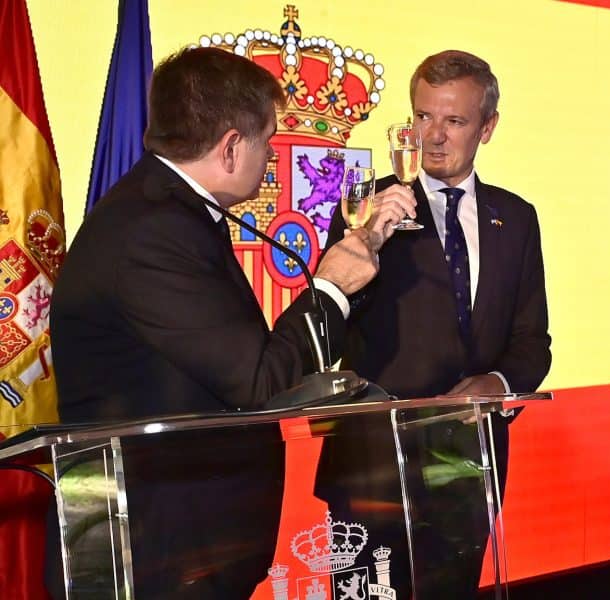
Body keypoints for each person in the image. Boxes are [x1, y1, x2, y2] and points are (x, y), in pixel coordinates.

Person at [47, 47, 413, 598]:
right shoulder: (153, 231)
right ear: (231, 147)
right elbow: (259, 382)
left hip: (186, 546)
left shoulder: (167, 212)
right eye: (268, 141)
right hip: (155, 554)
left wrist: (356, 261)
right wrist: (332, 286)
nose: (271, 158)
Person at [321, 49, 551, 598]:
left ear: (487, 127)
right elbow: (331, 325)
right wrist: (366, 242)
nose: (434, 137)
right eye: (423, 117)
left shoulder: (516, 218)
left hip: (467, 467)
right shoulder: (366, 208)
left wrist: (497, 383)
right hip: (374, 467)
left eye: (454, 121)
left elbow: (532, 342)